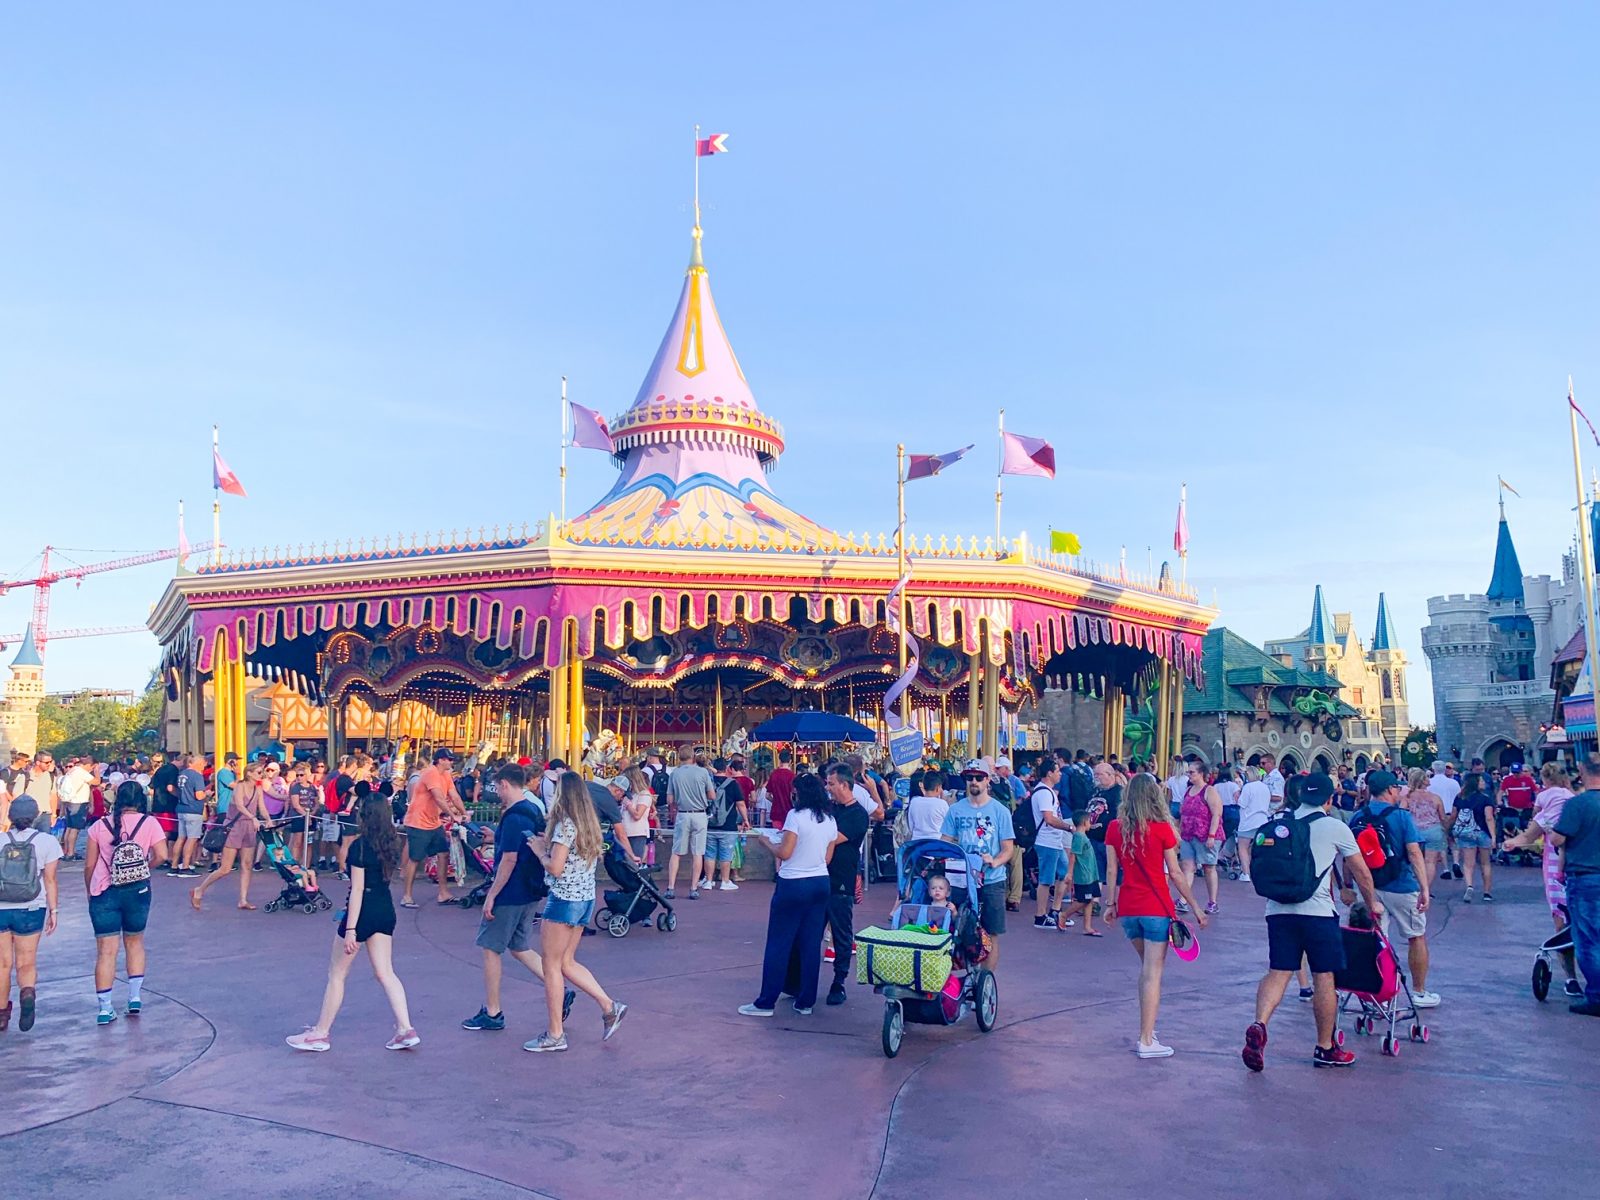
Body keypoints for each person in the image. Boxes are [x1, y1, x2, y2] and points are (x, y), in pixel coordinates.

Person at [1241, 772, 1383, 1071]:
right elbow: (1360, 871)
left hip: (1278, 910)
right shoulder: (1335, 827)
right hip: (1317, 913)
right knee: (1324, 977)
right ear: (1329, 800)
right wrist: (1372, 904)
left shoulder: (1279, 823)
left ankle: (1260, 1024)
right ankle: (1325, 1047)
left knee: (1278, 972)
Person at [287, 786, 419, 1051]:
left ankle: (320, 1033)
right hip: (385, 908)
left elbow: (357, 888)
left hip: (362, 910)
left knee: (337, 973)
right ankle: (405, 1027)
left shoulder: (360, 846)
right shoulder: (393, 842)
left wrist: (350, 929)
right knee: (386, 973)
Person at [461, 764, 576, 1034]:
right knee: (519, 946)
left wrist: (492, 894)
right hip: (529, 890)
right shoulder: (532, 810)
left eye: (498, 787)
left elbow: (509, 859)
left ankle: (493, 1011)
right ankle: (560, 988)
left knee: (490, 948)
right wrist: (496, 836)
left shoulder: (513, 816)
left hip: (511, 892)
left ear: (504, 784)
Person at [1103, 775, 1208, 1058]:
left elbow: (1112, 871)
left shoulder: (1115, 828)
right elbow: (1175, 874)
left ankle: (1147, 1029)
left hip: (1128, 907)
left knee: (1146, 970)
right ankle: (1147, 1039)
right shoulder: (1162, 829)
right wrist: (1196, 907)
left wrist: (1110, 903)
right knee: (1153, 974)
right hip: (1156, 907)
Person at [525, 772, 628, 1051]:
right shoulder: (588, 823)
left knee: (551, 965)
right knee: (567, 962)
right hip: (584, 897)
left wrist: (538, 850)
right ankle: (608, 1005)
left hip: (564, 898)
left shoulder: (564, 825)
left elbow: (555, 867)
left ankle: (555, 1033)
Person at [741, 773, 838, 1017]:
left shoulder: (795, 817)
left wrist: (766, 843)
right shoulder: (829, 819)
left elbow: (784, 852)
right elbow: (827, 858)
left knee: (779, 943)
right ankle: (806, 1000)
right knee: (810, 943)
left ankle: (766, 1001)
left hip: (793, 882)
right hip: (819, 882)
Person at [1352, 770, 1440, 1008]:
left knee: (1374, 939)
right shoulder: (1401, 817)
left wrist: (1348, 886)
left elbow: (1350, 856)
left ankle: (1375, 993)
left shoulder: (1357, 816)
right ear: (1390, 789)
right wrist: (1423, 887)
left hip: (1369, 886)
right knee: (1416, 936)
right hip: (1401, 885)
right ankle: (1419, 992)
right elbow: (1413, 852)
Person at [85, 782, 168, 1024]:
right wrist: (144, 868)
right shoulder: (150, 823)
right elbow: (162, 855)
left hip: (105, 891)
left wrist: (90, 890)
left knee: (106, 952)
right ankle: (134, 998)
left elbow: (89, 865)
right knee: (135, 942)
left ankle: (104, 1008)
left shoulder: (99, 826)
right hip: (137, 890)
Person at [1503, 762, 1582, 998]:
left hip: (1555, 865)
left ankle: (1571, 978)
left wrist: (1511, 843)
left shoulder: (1546, 801)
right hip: (1583, 862)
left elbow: (1530, 832)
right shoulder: (1575, 800)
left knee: (1561, 921)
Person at [940, 762, 1015, 973]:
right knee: (958, 926)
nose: (974, 781)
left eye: (979, 777)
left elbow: (1008, 848)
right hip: (962, 879)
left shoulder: (1000, 811)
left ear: (987, 780)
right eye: (969, 777)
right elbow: (946, 841)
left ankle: (985, 981)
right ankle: (959, 977)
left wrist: (995, 861)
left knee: (992, 932)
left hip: (992, 879)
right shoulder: (955, 810)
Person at [0, 796, 60, 1032]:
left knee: (3, 963)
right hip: (32, 906)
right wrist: (54, 910)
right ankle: (27, 993)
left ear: (10, 816)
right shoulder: (46, 841)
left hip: (2, 907)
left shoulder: (1, 840)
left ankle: (2, 1014)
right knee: (27, 961)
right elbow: (51, 879)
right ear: (35, 816)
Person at [1550, 755, 1600, 1016]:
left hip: (1587, 877)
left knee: (1590, 940)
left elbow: (1558, 839)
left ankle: (1596, 997)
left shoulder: (1577, 805)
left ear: (1582, 772)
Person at [189, 760, 269, 911]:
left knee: (247, 865)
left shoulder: (258, 788)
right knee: (225, 868)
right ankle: (200, 889)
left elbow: (262, 807)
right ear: (249, 773)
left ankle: (243, 899)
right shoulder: (239, 786)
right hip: (234, 826)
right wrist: (253, 817)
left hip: (249, 827)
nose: (262, 775)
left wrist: (268, 819)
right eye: (259, 772)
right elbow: (239, 804)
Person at [823, 764, 871, 1006]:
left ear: (844, 784)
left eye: (831, 784)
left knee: (842, 933)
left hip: (841, 880)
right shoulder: (829, 808)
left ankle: (839, 982)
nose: (828, 788)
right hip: (819, 877)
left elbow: (833, 838)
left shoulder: (857, 815)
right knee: (810, 930)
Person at [400, 748, 466, 908]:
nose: (451, 763)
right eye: (449, 760)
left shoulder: (446, 775)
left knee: (443, 853)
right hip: (419, 821)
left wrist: (464, 813)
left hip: (433, 821)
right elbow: (438, 798)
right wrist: (452, 815)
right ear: (440, 760)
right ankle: (406, 896)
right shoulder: (431, 773)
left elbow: (454, 795)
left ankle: (443, 893)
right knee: (415, 858)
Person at [663, 749, 716, 899]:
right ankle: (693, 888)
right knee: (698, 853)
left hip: (683, 814)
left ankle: (671, 887)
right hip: (699, 814)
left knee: (676, 852)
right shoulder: (703, 773)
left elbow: (669, 800)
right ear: (693, 757)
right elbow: (712, 795)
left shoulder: (675, 774)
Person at [1029, 760, 1075, 930]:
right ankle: (1040, 915)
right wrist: (1068, 827)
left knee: (1064, 874)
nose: (1060, 774)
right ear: (1049, 773)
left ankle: (1055, 910)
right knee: (1046, 879)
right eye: (1057, 771)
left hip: (1054, 841)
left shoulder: (1048, 792)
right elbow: (1048, 818)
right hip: (1046, 840)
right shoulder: (1044, 793)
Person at [1176, 757, 1224, 915]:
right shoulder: (1188, 791)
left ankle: (1212, 902)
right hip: (1189, 835)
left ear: (1201, 773)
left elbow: (1216, 814)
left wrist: (1211, 835)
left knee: (1209, 867)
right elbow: (1183, 813)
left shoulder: (1209, 791)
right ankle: (1183, 900)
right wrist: (1180, 831)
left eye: (1192, 772)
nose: (1189, 775)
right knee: (1187, 867)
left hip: (1206, 834)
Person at [699, 758, 750, 892]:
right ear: (727, 768)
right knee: (726, 854)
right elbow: (740, 804)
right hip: (728, 825)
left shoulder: (708, 782)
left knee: (709, 854)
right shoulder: (733, 784)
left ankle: (709, 881)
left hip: (709, 823)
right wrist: (745, 819)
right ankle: (725, 881)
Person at [1452, 773, 1497, 902]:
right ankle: (1487, 892)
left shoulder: (1460, 798)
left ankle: (1469, 886)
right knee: (1485, 863)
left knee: (1468, 863)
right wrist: (1493, 836)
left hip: (1466, 832)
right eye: (1481, 781)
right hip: (1482, 832)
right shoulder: (1485, 799)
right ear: (1476, 783)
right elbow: (1489, 818)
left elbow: (1454, 815)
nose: (1484, 783)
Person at [1057, 810, 1102, 935]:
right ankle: (1064, 915)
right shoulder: (1078, 837)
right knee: (1083, 899)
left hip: (1090, 874)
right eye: (1089, 821)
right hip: (1083, 875)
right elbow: (1073, 855)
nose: (1090, 823)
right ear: (1084, 822)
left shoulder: (1081, 835)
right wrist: (1070, 873)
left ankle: (1087, 927)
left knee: (1089, 899)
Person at [1401, 767, 1448, 883]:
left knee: (1414, 860)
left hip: (1414, 830)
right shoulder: (1435, 797)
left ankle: (1416, 885)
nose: (1428, 778)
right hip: (1433, 829)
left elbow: (1401, 814)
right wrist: (1446, 830)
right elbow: (1442, 817)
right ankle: (1426, 889)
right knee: (1430, 862)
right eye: (1426, 777)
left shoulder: (1407, 797)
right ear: (1422, 780)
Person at [169, 753, 210, 877]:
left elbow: (174, 789)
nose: (204, 766)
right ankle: (185, 867)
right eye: (203, 763)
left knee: (181, 837)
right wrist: (207, 793)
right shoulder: (197, 776)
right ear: (197, 763)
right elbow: (199, 795)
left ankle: (174, 866)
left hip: (181, 808)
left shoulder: (182, 774)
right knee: (191, 839)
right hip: (193, 809)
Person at [1085, 761, 1122, 881]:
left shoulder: (1119, 792)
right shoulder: (1095, 791)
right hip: (1093, 837)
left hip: (1109, 840)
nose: (1096, 778)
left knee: (1114, 874)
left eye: (1099, 774)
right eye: (1095, 775)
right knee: (1097, 875)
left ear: (1110, 775)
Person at [1234, 767, 1272, 883]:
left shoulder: (1248, 787)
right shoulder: (1265, 787)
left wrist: (1237, 795)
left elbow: (1242, 803)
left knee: (1243, 847)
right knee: (1258, 847)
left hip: (1248, 821)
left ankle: (1246, 873)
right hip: (1262, 820)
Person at [1428, 760, 1464, 879]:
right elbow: (1460, 798)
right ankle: (1456, 862)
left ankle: (1445, 869)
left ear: (1433, 769)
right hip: (1452, 813)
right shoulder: (1453, 782)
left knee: (1442, 842)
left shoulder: (1429, 783)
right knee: (1453, 840)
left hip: (1437, 814)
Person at [57, 756, 94, 860]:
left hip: (70, 802)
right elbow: (96, 781)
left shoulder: (71, 771)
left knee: (69, 827)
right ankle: (71, 853)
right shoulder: (81, 772)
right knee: (75, 829)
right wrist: (96, 771)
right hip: (79, 802)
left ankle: (67, 851)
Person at [616, 766, 654, 865]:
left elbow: (637, 815)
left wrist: (628, 804)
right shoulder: (630, 794)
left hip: (636, 833)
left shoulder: (644, 794)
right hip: (624, 832)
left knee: (634, 863)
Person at [906, 768, 950, 841]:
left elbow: (911, 826)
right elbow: (948, 827)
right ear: (937, 788)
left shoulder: (914, 801)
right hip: (936, 843)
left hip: (917, 842)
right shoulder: (942, 804)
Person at [765, 749, 796, 828]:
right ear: (790, 761)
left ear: (779, 760)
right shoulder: (792, 775)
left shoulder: (774, 774)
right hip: (789, 812)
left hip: (776, 811)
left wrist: (775, 800)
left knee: (776, 837)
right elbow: (792, 795)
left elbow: (767, 795)